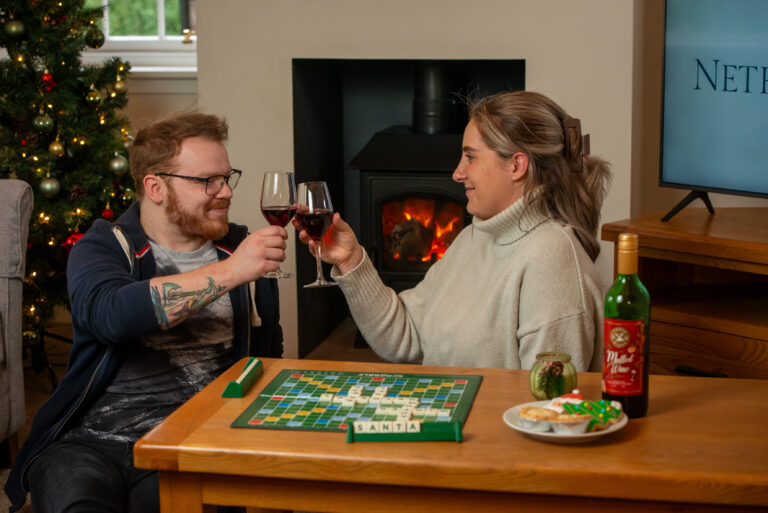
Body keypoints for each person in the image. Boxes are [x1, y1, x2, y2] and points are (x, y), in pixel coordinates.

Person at [4, 112, 287, 513]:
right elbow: (109, 315)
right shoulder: (104, 245)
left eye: (227, 177)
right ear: (155, 186)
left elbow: (267, 354)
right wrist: (232, 272)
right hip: (91, 441)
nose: (225, 191)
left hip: (187, 443)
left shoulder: (241, 247)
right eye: (208, 180)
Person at [296, 90, 611, 372]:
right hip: (449, 424)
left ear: (517, 165)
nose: (458, 173)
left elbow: (548, 411)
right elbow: (405, 338)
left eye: (471, 157)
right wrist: (351, 260)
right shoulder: (473, 237)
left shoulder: (552, 258)